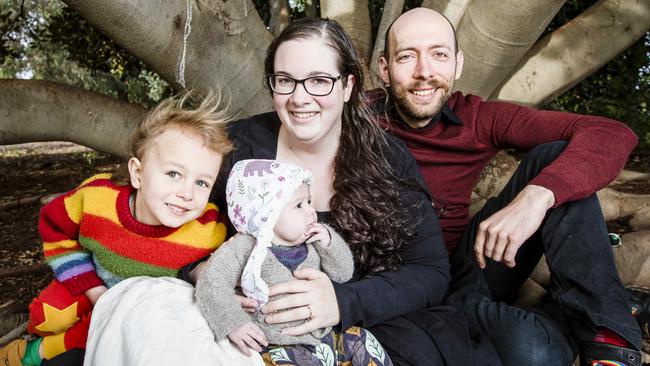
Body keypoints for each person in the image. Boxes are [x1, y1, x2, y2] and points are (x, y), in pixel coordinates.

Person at [82, 17, 490, 366]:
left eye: (319, 81)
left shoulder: (387, 158)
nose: (299, 98)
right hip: (242, 326)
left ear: (348, 86)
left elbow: (431, 272)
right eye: (285, 81)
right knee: (145, 308)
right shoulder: (235, 150)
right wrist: (196, 269)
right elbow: (163, 219)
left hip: (353, 325)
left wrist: (342, 301)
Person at [372, 7, 642, 366]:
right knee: (534, 354)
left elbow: (611, 134)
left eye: (439, 55)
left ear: (458, 65)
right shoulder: (354, 117)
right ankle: (598, 308)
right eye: (407, 56)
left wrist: (536, 197)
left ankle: (610, 342)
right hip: (394, 293)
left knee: (554, 159)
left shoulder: (479, 117)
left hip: (469, 270)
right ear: (384, 68)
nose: (424, 72)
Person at [0, 91, 234, 366]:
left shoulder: (210, 228)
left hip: (135, 310)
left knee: (92, 337)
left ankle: (33, 353)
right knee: (48, 316)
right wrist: (92, 289)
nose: (187, 193)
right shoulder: (97, 198)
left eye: (202, 183)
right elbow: (56, 228)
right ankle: (34, 334)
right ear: (137, 173)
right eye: (173, 174)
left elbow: (231, 262)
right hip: (89, 282)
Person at [197, 159, 392, 365]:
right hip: (278, 346)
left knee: (362, 339)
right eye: (299, 205)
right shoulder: (244, 247)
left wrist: (329, 241)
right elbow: (211, 281)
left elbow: (343, 273)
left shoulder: (313, 240)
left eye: (309, 202)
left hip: (325, 337)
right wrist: (233, 322)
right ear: (267, 213)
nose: (311, 211)